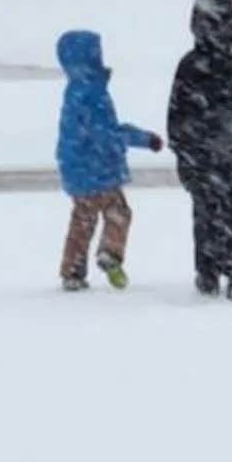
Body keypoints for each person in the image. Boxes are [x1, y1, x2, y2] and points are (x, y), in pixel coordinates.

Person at [166, 0, 232, 301]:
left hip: (203, 156)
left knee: (205, 214)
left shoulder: (189, 66)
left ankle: (208, 271)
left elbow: (177, 116)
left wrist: (183, 152)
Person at [54, 30, 162, 291]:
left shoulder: (73, 91)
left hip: (76, 171)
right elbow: (107, 134)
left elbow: (77, 134)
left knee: (82, 219)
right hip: (98, 169)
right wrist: (142, 139)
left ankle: (73, 270)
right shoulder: (94, 93)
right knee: (118, 212)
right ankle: (110, 253)